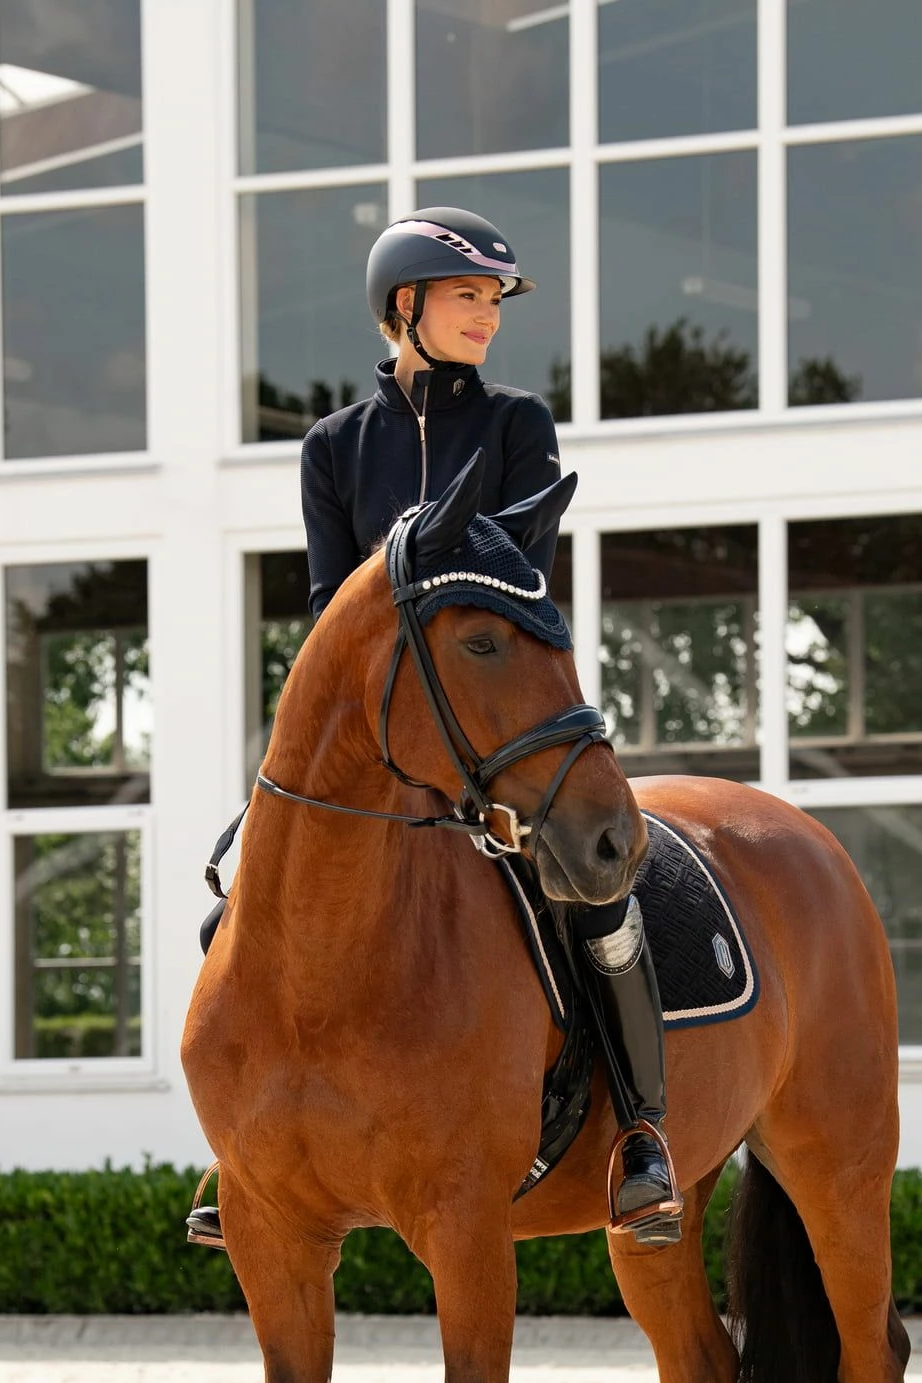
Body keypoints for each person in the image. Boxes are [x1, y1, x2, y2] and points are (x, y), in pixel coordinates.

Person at [188, 208, 681, 1249]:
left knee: (594, 898)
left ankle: (640, 1133)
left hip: (488, 717)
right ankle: (242, 1141)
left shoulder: (515, 424)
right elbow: (331, 604)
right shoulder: (333, 446)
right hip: (371, 731)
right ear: (402, 307)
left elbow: (516, 579)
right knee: (236, 899)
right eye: (470, 298)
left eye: (494, 302)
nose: (488, 318)